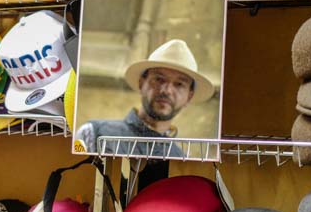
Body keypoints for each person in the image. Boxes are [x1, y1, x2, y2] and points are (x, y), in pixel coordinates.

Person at [73, 39, 216, 159]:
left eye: (179, 84)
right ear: (141, 83)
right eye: (159, 79)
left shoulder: (180, 160)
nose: (166, 90)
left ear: (189, 97)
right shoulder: (94, 133)